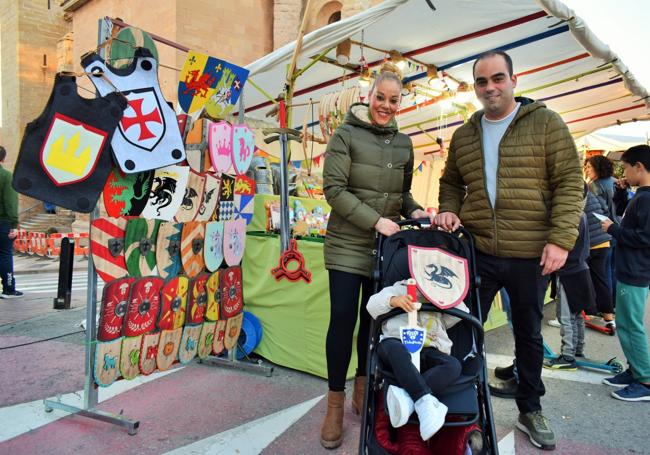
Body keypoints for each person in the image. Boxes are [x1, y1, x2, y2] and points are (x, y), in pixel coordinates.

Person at [435, 50, 584, 450]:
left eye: (497, 78)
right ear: (476, 88)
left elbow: (570, 183)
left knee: (529, 333)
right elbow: (451, 182)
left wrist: (560, 239)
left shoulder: (546, 124)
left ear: (514, 80)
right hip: (479, 249)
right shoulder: (465, 134)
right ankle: (466, 406)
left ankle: (530, 408)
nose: (490, 88)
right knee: (464, 328)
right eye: (482, 82)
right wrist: (449, 208)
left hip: (530, 252)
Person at [321, 62, 432, 449]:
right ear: (369, 98)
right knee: (342, 320)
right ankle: (334, 403)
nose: (386, 105)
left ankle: (363, 389)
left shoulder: (404, 143)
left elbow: (402, 195)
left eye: (393, 100)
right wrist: (376, 221)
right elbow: (334, 189)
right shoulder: (345, 134)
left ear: (401, 102)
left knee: (374, 323)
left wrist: (415, 211)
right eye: (380, 98)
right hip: (347, 245)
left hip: (384, 252)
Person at [367, 280, 467, 440]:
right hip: (395, 342)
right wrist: (393, 300)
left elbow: (460, 313)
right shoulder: (398, 288)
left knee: (453, 365)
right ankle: (423, 402)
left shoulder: (439, 294)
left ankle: (407, 400)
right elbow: (372, 305)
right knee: (397, 351)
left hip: (428, 347)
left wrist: (443, 293)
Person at [600, 144, 650, 402]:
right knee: (627, 325)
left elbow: (645, 237)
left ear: (639, 167)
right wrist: (621, 195)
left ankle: (645, 380)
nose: (624, 172)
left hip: (635, 270)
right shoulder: (640, 194)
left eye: (627, 167)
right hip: (631, 269)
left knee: (631, 326)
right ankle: (636, 371)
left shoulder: (647, 197)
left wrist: (612, 229)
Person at [544, 186, 595, 370]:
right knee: (576, 314)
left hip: (569, 272)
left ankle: (567, 356)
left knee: (565, 316)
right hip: (581, 269)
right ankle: (578, 349)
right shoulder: (581, 214)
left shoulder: (571, 217)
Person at [585, 154, 618, 302]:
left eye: (589, 166)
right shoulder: (614, 181)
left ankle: (605, 305)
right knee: (611, 269)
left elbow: (597, 209)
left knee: (603, 273)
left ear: (597, 168)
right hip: (617, 226)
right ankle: (613, 302)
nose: (586, 169)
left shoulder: (594, 185)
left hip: (604, 228)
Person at [584, 183, 615, 329]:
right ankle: (608, 315)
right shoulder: (593, 195)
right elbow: (606, 210)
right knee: (601, 279)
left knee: (586, 279)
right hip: (604, 241)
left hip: (590, 244)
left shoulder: (576, 197)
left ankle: (590, 312)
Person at [0, 146, 22, 299]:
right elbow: (10, 203)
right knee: (5, 255)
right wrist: (14, 224)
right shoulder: (6, 177)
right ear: (3, 158)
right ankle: (8, 288)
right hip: (3, 222)